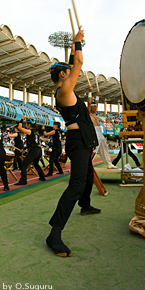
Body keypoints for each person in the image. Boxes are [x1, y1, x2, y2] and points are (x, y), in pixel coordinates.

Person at [47, 26, 100, 257]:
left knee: (87, 175)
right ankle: (54, 233)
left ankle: (85, 205)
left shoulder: (64, 87)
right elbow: (77, 63)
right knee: (77, 184)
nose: (71, 72)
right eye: (66, 71)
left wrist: (73, 44)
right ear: (62, 75)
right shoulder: (64, 91)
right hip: (78, 140)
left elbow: (71, 63)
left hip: (82, 139)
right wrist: (78, 43)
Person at [88, 87, 118, 169]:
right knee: (95, 149)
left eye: (95, 107)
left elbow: (95, 103)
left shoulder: (95, 114)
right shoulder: (88, 113)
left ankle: (109, 163)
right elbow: (89, 103)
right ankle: (87, 164)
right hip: (94, 132)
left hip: (99, 132)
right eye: (93, 107)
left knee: (104, 147)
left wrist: (97, 96)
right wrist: (90, 92)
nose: (94, 108)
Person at [14, 116, 46, 185]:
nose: (25, 125)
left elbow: (20, 128)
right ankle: (42, 177)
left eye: (26, 124)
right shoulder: (36, 132)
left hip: (34, 150)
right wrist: (24, 149)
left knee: (23, 164)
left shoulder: (29, 131)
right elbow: (31, 142)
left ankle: (23, 181)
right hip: (38, 149)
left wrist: (22, 119)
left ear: (29, 124)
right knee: (36, 164)